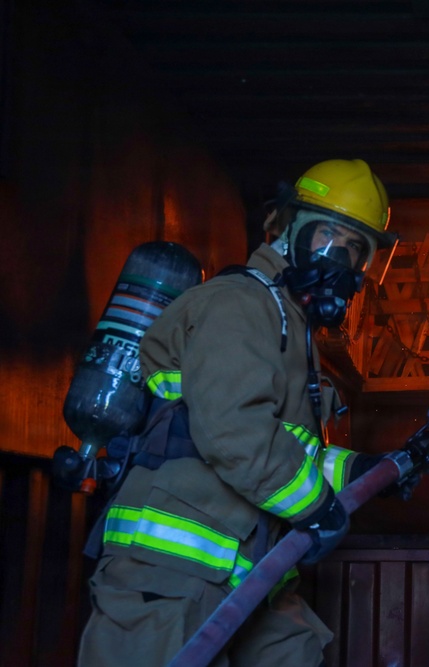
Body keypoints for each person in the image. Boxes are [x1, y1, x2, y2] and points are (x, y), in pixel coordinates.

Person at [78, 159, 401, 666]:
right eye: (327, 239)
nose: (339, 261)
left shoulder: (290, 324)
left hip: (247, 567)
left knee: (296, 654)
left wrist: (361, 470)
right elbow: (235, 432)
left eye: (355, 251)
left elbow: (284, 443)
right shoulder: (240, 304)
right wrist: (318, 509)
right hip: (168, 573)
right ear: (286, 227)